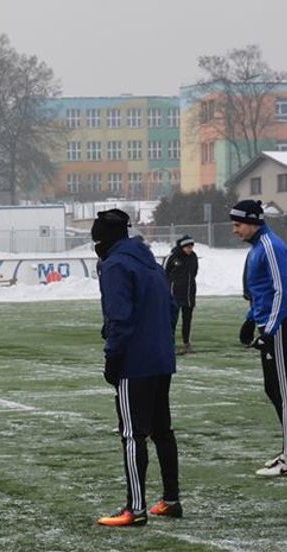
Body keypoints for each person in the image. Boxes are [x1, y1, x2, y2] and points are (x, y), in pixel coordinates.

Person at [91, 209, 182, 527]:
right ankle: (171, 500)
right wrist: (159, 339)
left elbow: (119, 317)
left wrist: (113, 357)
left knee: (132, 435)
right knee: (162, 431)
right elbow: (171, 307)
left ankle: (136, 508)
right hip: (161, 359)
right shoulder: (150, 263)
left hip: (135, 362)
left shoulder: (115, 265)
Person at [233, 200, 287, 477]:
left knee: (284, 393)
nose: (235, 230)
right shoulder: (257, 248)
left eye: (238, 224)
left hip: (280, 326)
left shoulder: (271, 247)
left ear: (253, 222)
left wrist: (269, 330)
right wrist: (251, 319)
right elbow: (260, 292)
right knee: (272, 389)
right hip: (268, 323)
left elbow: (281, 291)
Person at [164, 235, 199, 354]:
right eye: (187, 247)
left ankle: (187, 343)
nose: (190, 249)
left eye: (191, 247)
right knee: (172, 320)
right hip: (174, 294)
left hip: (189, 294)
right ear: (182, 246)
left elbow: (194, 272)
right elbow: (164, 273)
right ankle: (169, 344)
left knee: (187, 320)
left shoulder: (193, 257)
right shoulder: (172, 257)